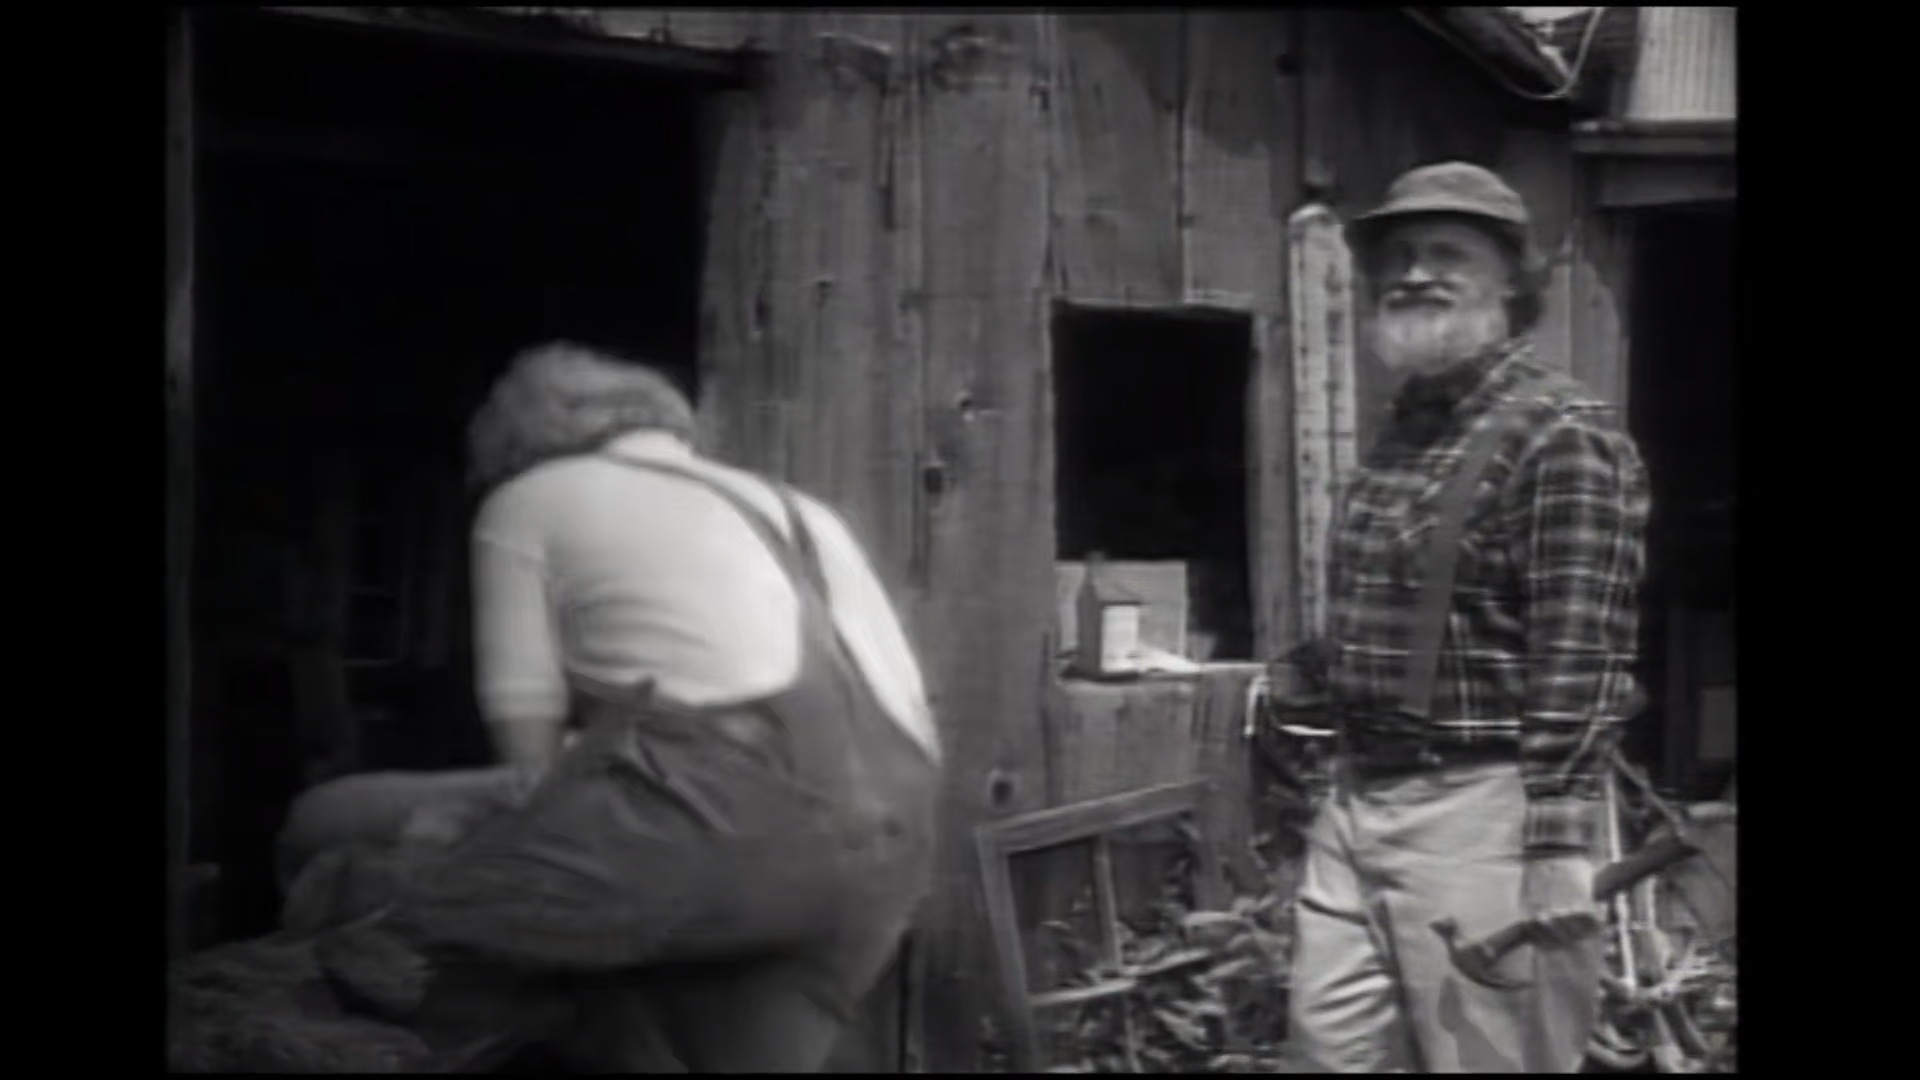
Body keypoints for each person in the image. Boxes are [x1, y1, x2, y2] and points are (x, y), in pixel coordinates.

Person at [385, 342, 943, 1072]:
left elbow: (528, 764)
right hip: (889, 847)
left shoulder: (528, 500)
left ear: (512, 436)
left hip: (724, 823)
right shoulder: (804, 511)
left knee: (386, 908)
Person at [1285, 163, 1651, 1073]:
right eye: (1400, 255)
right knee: (1328, 1054)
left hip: (1484, 816)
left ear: (1513, 284)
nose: (1416, 272)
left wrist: (1557, 842)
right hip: (1358, 797)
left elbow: (1580, 648)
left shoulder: (1560, 433)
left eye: (1448, 253)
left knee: (1490, 1060)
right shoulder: (1404, 432)